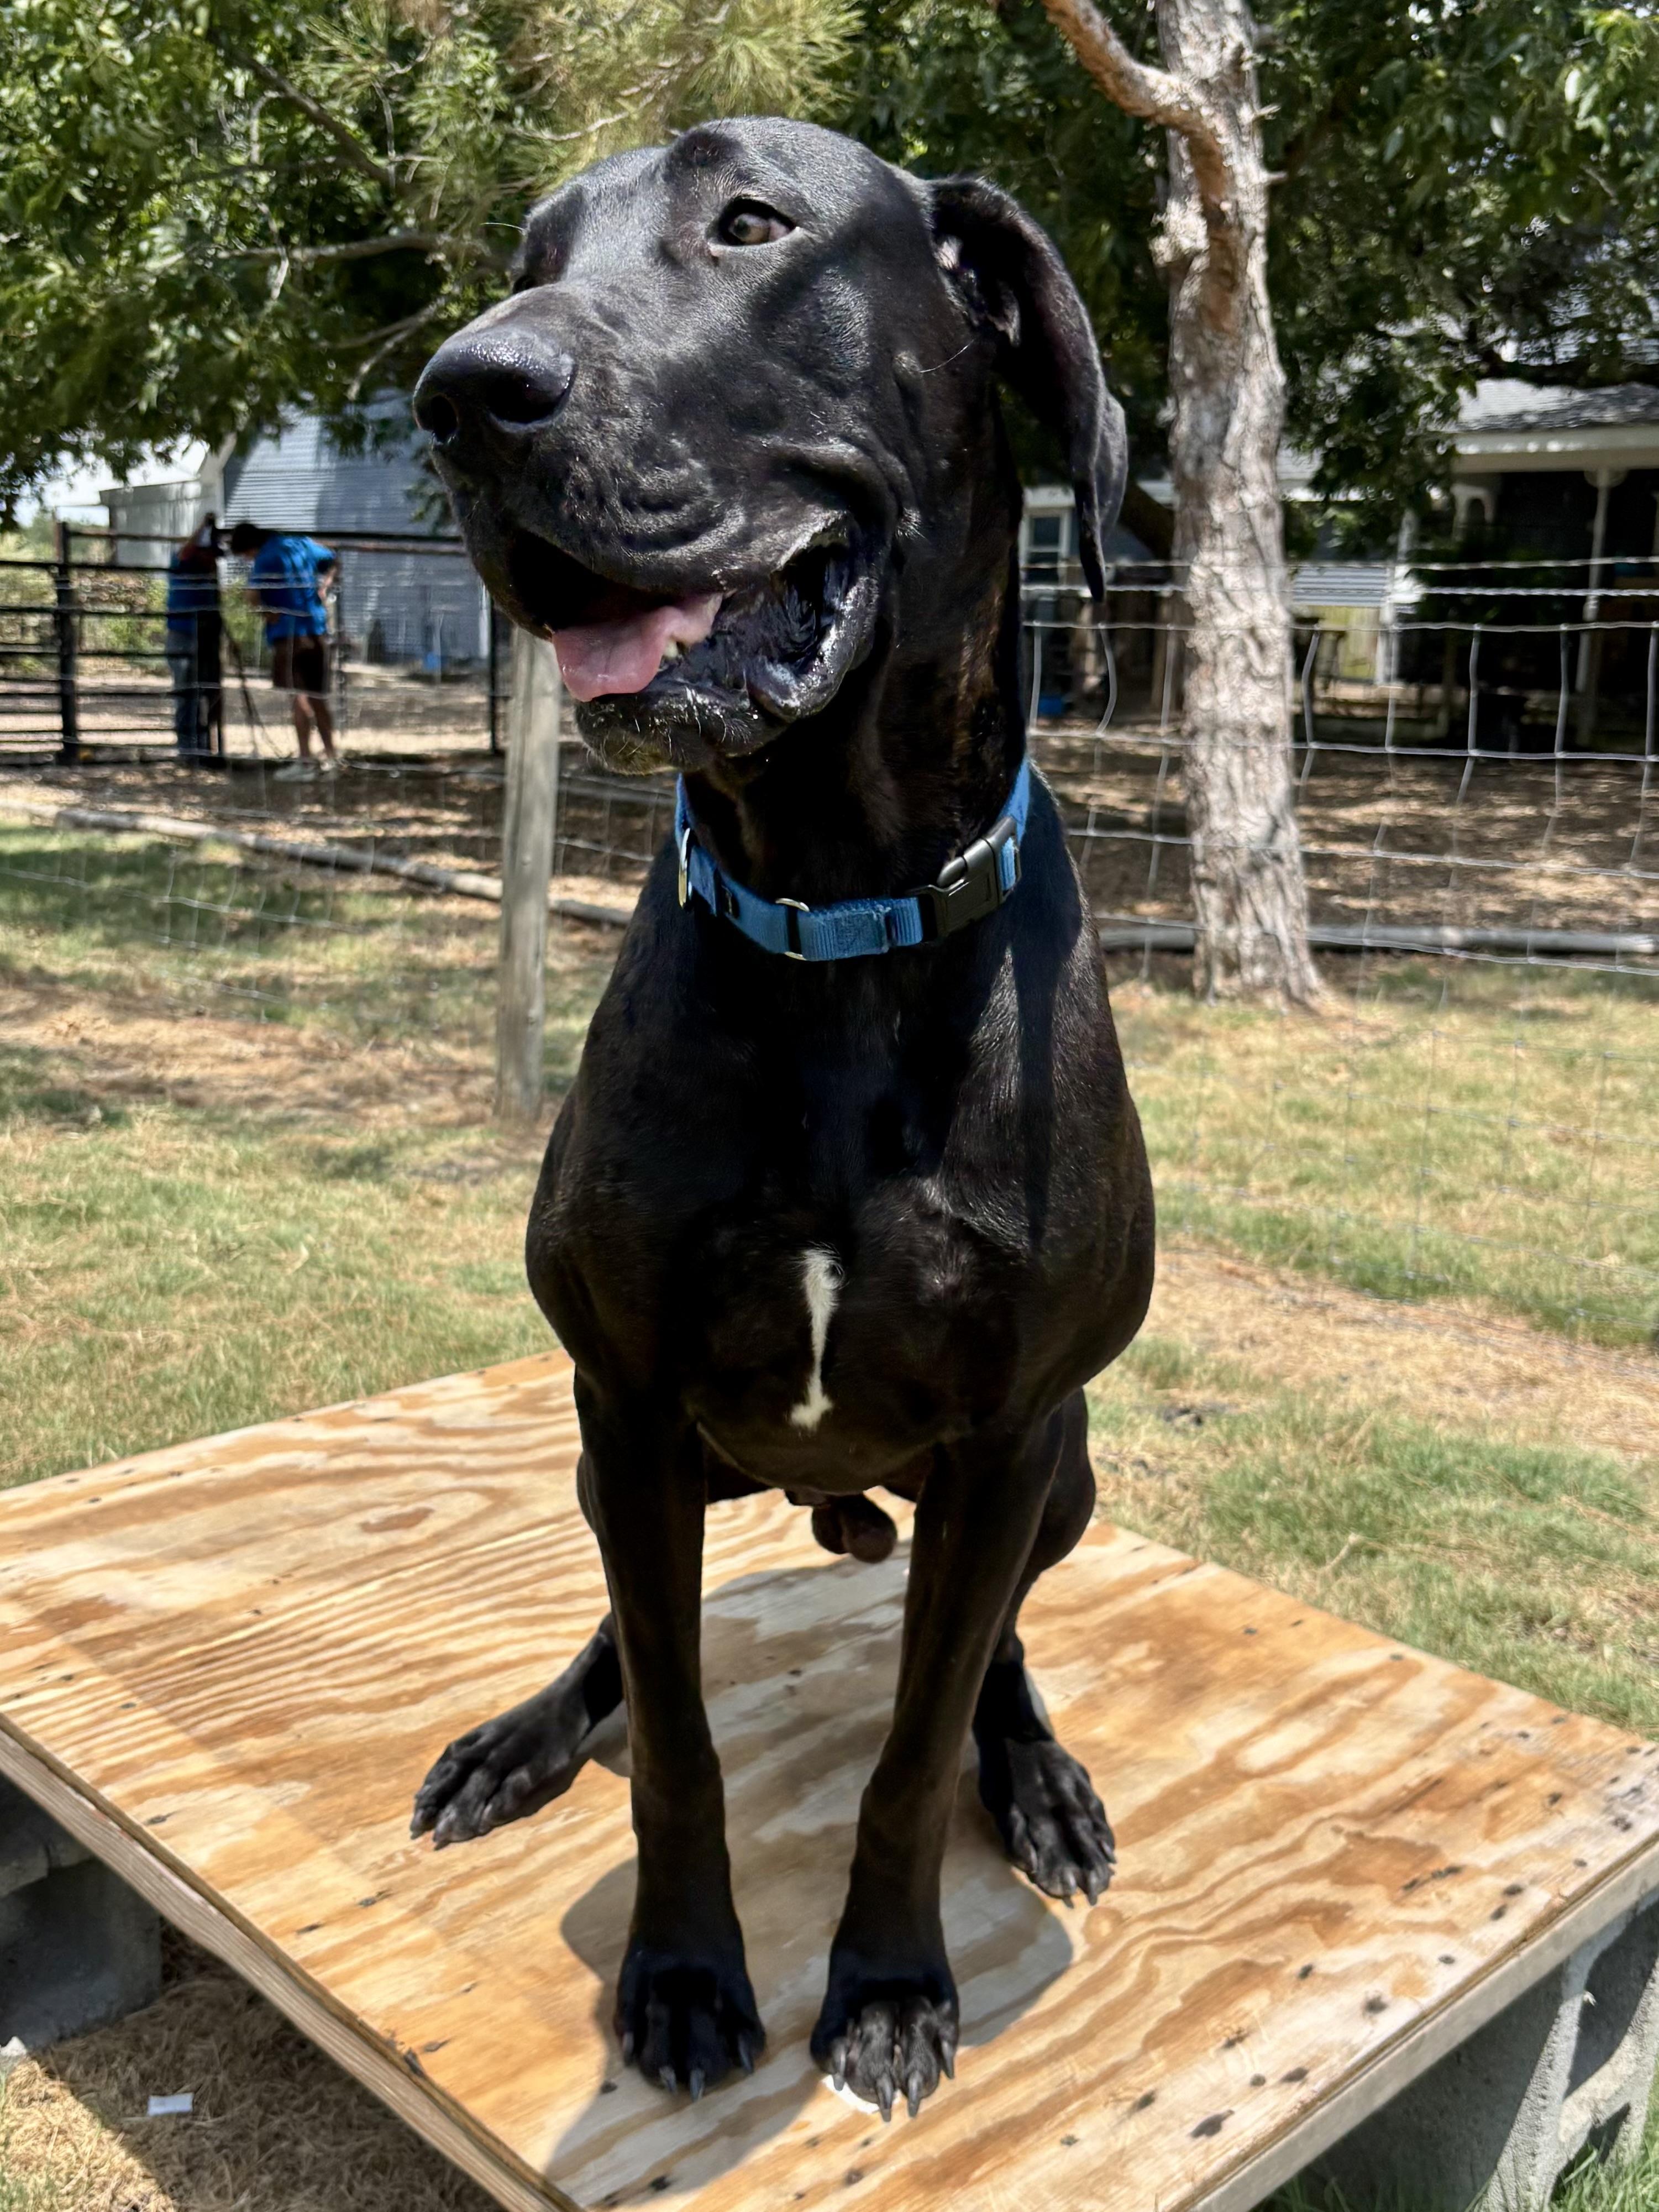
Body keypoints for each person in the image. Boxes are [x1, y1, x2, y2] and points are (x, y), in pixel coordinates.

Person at [227, 521, 339, 774]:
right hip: (317, 630)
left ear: (249, 547)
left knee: (298, 698)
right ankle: (332, 759)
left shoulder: (266, 558)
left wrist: (267, 613)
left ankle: (305, 761)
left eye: (246, 556)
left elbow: (252, 596)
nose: (247, 560)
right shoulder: (300, 544)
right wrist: (325, 586)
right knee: (319, 698)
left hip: (288, 635)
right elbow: (333, 558)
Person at [164, 515, 223, 758]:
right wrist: (203, 526)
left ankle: (205, 746)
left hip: (207, 636)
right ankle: (188, 749)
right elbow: (186, 551)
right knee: (186, 692)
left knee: (207, 692)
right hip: (183, 634)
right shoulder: (183, 565)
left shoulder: (209, 577)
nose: (214, 562)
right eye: (209, 555)